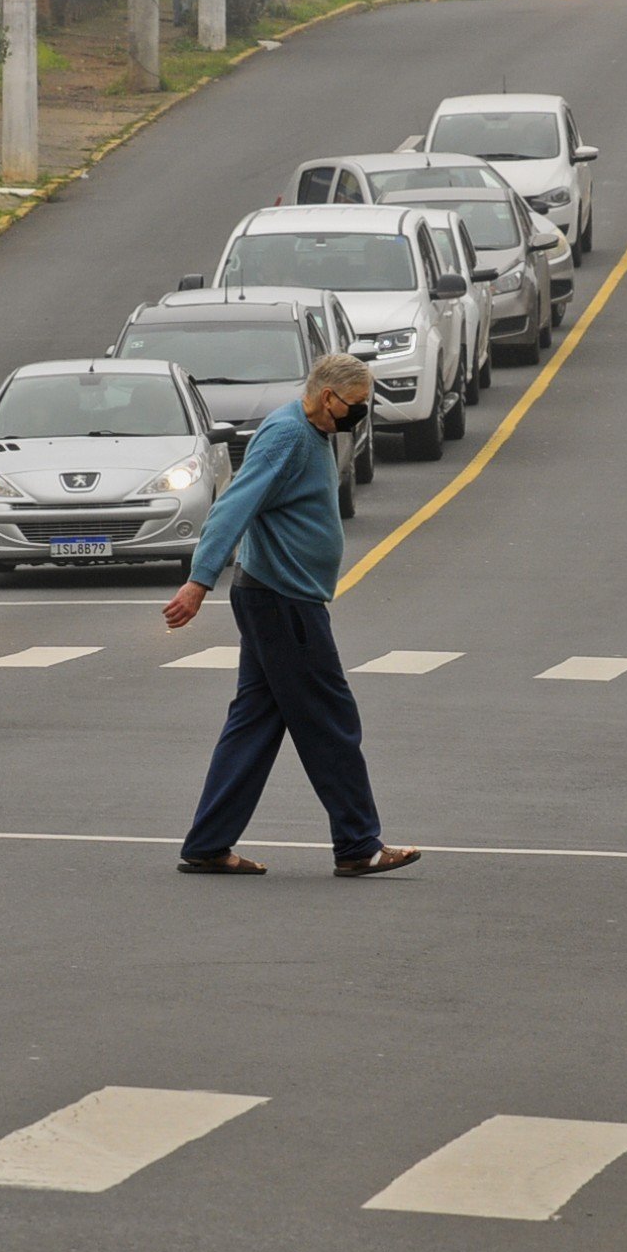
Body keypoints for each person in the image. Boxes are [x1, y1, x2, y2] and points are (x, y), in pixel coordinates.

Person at [162, 354, 423, 879]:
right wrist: (199, 580)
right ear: (328, 398)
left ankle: (209, 843)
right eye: (357, 405)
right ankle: (357, 845)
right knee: (331, 721)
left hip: (275, 598)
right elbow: (234, 504)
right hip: (283, 602)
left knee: (254, 723)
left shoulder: (316, 429)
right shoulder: (287, 436)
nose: (361, 414)